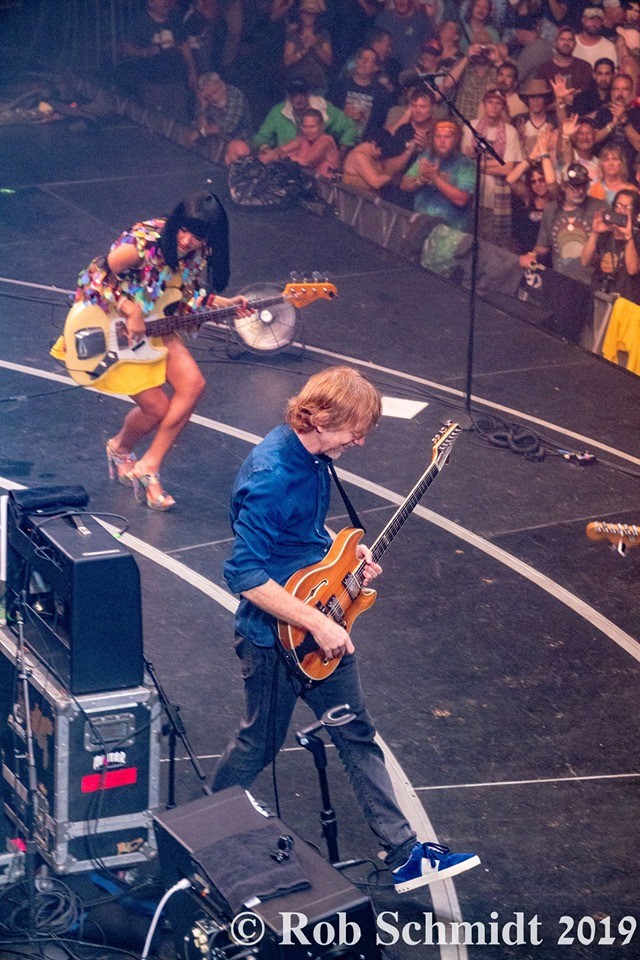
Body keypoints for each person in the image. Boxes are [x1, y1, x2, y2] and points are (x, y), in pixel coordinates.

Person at [213, 365, 481, 892]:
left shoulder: (313, 457)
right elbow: (243, 573)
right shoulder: (272, 475)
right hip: (276, 641)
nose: (359, 441)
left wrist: (340, 551)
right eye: (353, 431)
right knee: (258, 745)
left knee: (355, 731)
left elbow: (302, 533)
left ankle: (405, 851)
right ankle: (205, 829)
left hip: (324, 622)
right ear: (317, 417)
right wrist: (316, 620)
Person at [54, 192, 249, 511]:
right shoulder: (142, 243)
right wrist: (129, 309)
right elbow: (95, 277)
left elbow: (181, 295)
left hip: (155, 323)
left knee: (193, 385)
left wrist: (226, 305)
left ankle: (147, 466)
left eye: (197, 236)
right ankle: (120, 448)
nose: (186, 240)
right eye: (183, 230)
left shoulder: (199, 253)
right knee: (156, 409)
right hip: (112, 327)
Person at [520, 161, 606, 281]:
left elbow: (609, 247)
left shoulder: (599, 207)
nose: (580, 191)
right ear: (564, 186)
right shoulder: (551, 209)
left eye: (583, 186)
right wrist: (531, 255)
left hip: (592, 282)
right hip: (562, 280)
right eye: (574, 187)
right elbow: (543, 246)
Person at [400, 119, 476, 230]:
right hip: (420, 226)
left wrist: (435, 178)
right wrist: (419, 180)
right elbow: (404, 184)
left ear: (456, 139)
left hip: (451, 231)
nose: (442, 141)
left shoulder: (465, 163)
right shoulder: (426, 157)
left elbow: (462, 199)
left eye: (447, 137)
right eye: (438, 136)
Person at [254, 78, 359, 157]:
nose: (298, 99)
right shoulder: (278, 111)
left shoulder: (325, 110)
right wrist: (264, 147)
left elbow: (351, 127)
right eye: (294, 95)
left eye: (301, 94)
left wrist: (342, 150)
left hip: (315, 164)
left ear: (308, 94)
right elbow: (262, 136)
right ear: (288, 96)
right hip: (284, 161)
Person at [581, 187, 640, 301]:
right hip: (600, 298)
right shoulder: (605, 234)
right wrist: (595, 233)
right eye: (618, 205)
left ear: (635, 213)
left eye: (627, 207)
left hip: (626, 303)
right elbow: (585, 261)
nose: (621, 210)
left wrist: (628, 237)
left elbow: (633, 270)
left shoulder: (637, 238)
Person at [275, 107, 340, 176]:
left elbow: (307, 161)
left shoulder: (326, 140)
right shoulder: (303, 138)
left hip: (327, 184)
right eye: (305, 127)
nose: (308, 131)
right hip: (308, 180)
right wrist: (273, 154)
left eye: (312, 127)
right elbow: (281, 150)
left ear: (322, 126)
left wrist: (282, 157)